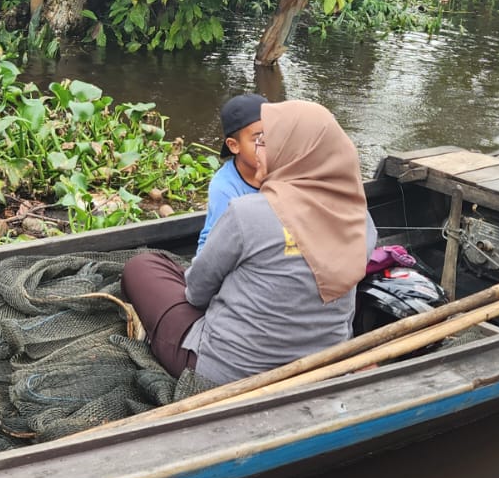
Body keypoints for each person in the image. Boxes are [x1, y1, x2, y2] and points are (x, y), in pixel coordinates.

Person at [122, 100, 377, 387]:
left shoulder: (248, 212)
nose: (260, 151)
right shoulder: (362, 221)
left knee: (141, 266)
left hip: (229, 373)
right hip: (322, 364)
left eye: (269, 142)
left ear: (294, 152)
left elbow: (196, 294)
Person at [197, 93, 265, 252]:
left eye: (272, 134)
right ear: (234, 146)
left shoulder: (283, 170)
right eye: (258, 139)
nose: (267, 145)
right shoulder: (225, 187)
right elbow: (223, 246)